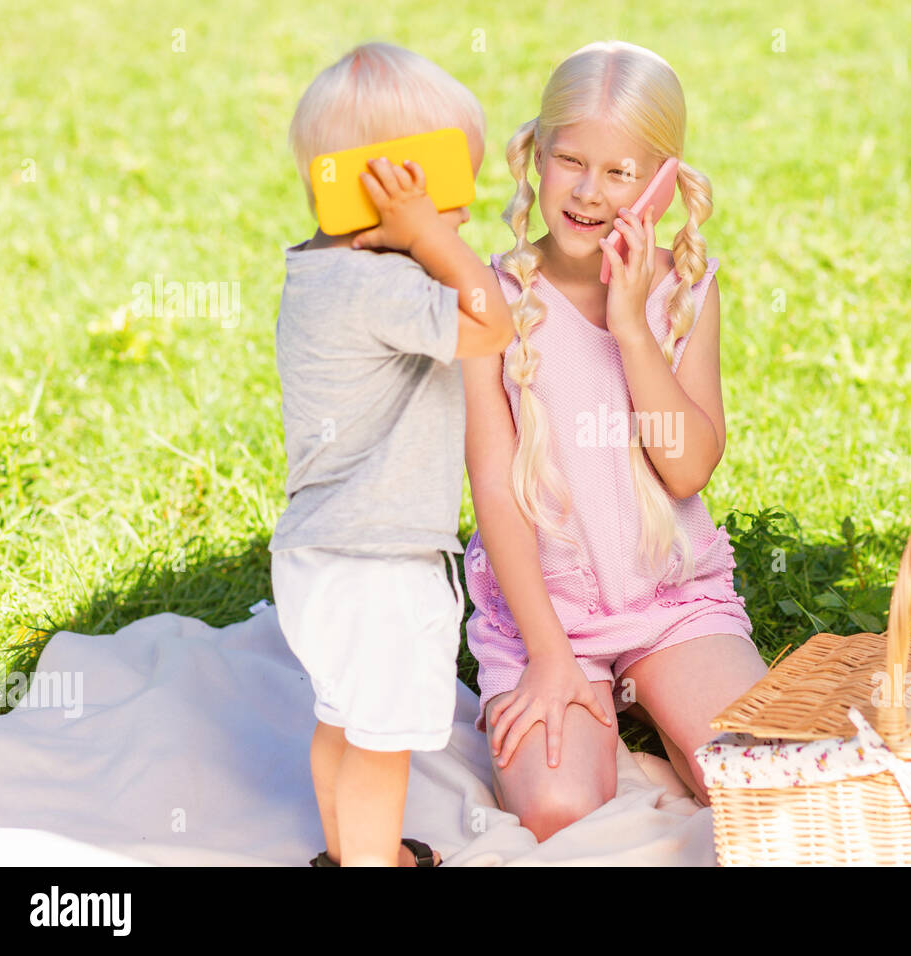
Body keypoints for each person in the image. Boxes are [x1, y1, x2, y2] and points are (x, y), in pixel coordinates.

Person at [461, 40, 769, 842]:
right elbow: (495, 488)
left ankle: (669, 722)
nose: (589, 193)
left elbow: (688, 465)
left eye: (621, 173)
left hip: (669, 597)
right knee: (558, 810)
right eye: (571, 161)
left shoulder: (683, 291)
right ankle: (633, 740)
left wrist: (632, 325)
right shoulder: (493, 298)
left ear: (662, 181)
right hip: (544, 607)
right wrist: (551, 654)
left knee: (763, 791)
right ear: (537, 155)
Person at [270, 41, 512, 866]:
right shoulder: (384, 286)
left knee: (341, 721)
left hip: (316, 557)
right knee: (381, 747)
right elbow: (492, 322)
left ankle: (352, 854)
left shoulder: (317, 274)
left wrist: (420, 234)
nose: (465, 222)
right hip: (379, 563)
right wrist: (431, 242)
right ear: (392, 188)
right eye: (452, 196)